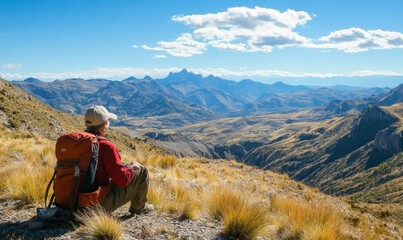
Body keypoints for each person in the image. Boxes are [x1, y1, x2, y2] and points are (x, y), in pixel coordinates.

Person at [84, 105, 153, 215]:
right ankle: (139, 207)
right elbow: (122, 180)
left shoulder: (74, 144)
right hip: (95, 206)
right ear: (105, 124)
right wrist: (132, 168)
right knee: (142, 170)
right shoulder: (107, 147)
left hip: (71, 203)